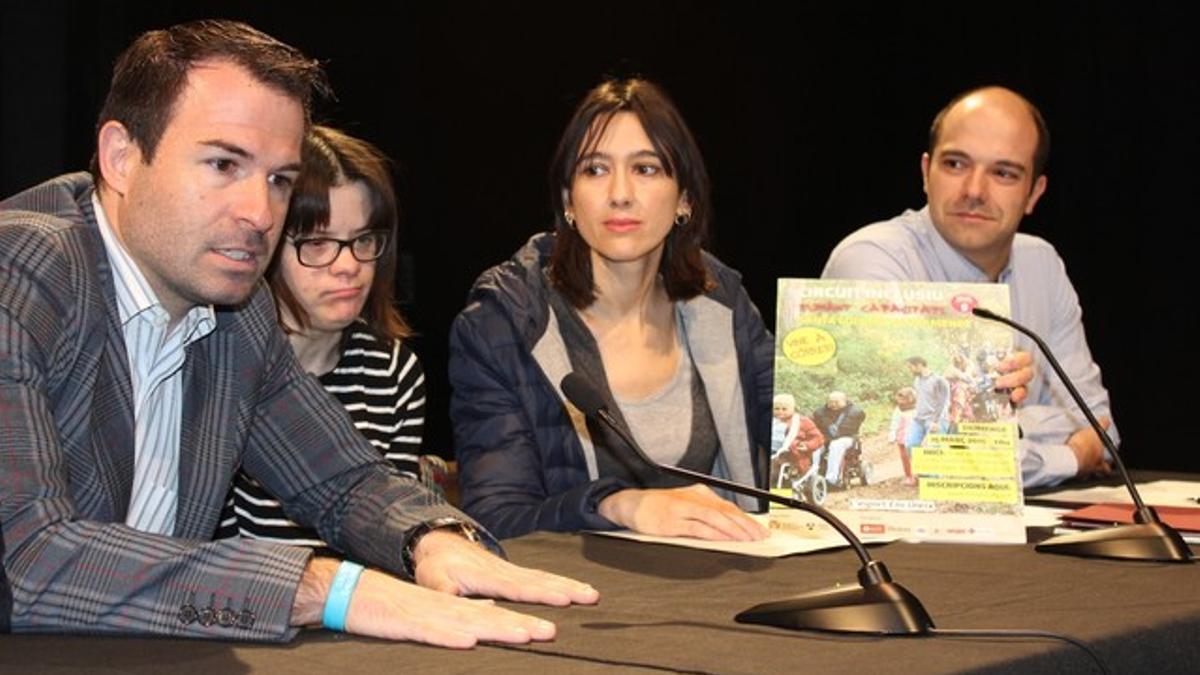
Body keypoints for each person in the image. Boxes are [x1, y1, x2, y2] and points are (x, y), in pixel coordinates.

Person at [0, 20, 596, 646]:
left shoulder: (237, 308)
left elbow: (341, 480)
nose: (261, 215)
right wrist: (322, 588)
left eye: (279, 179)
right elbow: (23, 557)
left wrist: (431, 540)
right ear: (121, 156)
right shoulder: (24, 270)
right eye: (223, 163)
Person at [449, 78, 773, 542]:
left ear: (684, 199)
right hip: (582, 603)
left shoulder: (723, 303)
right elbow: (497, 521)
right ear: (568, 200)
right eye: (595, 170)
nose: (620, 193)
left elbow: (801, 432)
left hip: (725, 589)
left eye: (646, 169)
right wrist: (620, 506)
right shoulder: (502, 323)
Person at [822, 86, 1116, 488]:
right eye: (956, 164)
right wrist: (1067, 455)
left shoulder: (1041, 263)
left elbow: (1100, 429)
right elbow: (931, 456)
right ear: (926, 173)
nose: (975, 191)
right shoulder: (874, 259)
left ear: (1034, 193)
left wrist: (1004, 433)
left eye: (1003, 173)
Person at [216, 126, 435, 547]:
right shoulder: (225, 362)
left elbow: (392, 530)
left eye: (363, 240)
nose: (349, 265)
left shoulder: (395, 373)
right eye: (318, 244)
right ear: (269, 247)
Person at [810, 392, 866, 489]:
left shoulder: (855, 412)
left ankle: (831, 479)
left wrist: (831, 431)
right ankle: (812, 477)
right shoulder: (819, 413)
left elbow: (848, 429)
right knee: (814, 446)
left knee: (836, 445)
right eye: (831, 402)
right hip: (825, 439)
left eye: (836, 402)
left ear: (845, 401)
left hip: (846, 438)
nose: (833, 404)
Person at [905, 357, 950, 450]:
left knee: (935, 451)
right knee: (911, 446)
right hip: (919, 420)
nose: (909, 370)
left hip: (935, 420)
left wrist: (936, 422)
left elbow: (944, 403)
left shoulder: (939, 381)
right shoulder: (917, 380)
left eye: (910, 367)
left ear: (919, 365)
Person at [887, 387, 918, 486]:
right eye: (899, 398)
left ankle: (920, 475)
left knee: (917, 456)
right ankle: (909, 476)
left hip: (915, 435)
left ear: (911, 398)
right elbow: (894, 422)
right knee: (905, 458)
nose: (900, 401)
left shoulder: (917, 408)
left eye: (903, 398)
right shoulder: (898, 410)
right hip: (902, 436)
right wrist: (892, 434)